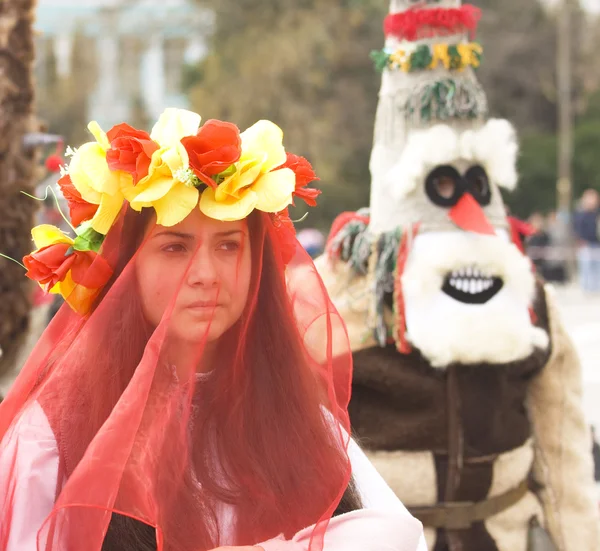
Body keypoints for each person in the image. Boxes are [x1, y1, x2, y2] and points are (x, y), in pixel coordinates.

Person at [0, 109, 424, 551]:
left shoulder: (298, 420)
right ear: (127, 267)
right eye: (174, 247)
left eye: (228, 245)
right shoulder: (53, 439)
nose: (206, 273)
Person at [316, 1, 599, 550]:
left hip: (505, 535)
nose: (463, 212)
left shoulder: (524, 292)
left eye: (478, 185)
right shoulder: (338, 288)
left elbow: (561, 443)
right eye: (442, 187)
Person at [573, 189, 600, 292]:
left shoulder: (597, 213)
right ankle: (587, 289)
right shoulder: (580, 213)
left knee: (597, 268)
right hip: (585, 245)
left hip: (597, 244)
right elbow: (576, 228)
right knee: (586, 268)